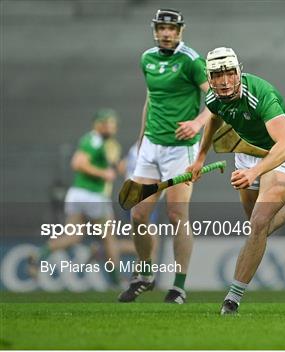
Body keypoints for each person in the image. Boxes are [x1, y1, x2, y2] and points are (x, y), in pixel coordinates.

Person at [187, 47, 285, 315]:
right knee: (257, 224)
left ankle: (232, 298)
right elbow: (214, 119)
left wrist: (254, 173)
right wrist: (199, 157)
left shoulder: (261, 95)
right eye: (217, 75)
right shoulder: (214, 98)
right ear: (209, 77)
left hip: (283, 154)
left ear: (239, 71)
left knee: (258, 224)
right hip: (247, 152)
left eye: (230, 73)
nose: (225, 81)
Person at [118, 9, 212, 304]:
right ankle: (145, 275)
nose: (166, 33)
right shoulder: (147, 59)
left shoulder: (192, 61)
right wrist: (140, 137)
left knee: (176, 215)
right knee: (138, 213)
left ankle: (179, 286)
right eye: (161, 28)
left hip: (181, 150)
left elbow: (215, 100)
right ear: (155, 30)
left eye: (172, 29)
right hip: (150, 146)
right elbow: (151, 99)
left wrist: (197, 123)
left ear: (180, 31)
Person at [30, 109, 123, 286]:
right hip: (93, 196)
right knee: (109, 238)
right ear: (97, 124)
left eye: (112, 124)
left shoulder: (104, 143)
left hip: (77, 194)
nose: (110, 127)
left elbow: (113, 165)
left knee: (73, 237)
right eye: (106, 123)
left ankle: (39, 255)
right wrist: (103, 173)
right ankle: (116, 281)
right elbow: (78, 163)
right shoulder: (94, 139)